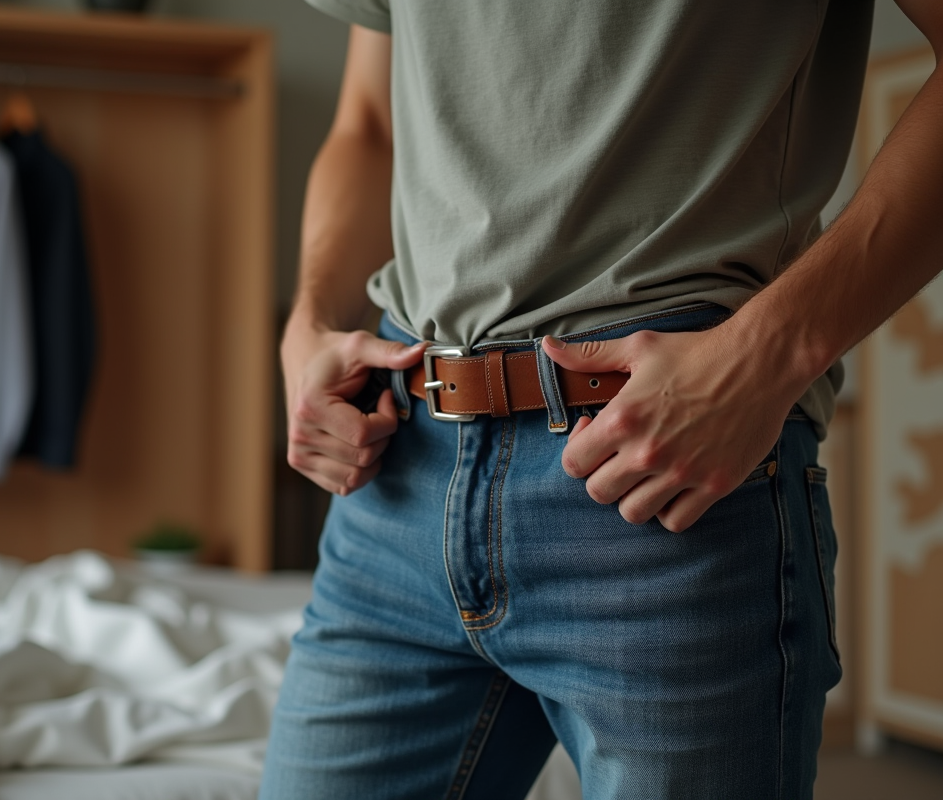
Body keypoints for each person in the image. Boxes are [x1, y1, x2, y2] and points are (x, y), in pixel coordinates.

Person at [263, 1, 943, 798]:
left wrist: (772, 353)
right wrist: (306, 323)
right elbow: (370, 121)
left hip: (660, 488)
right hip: (398, 480)